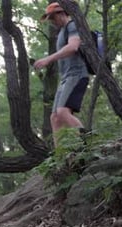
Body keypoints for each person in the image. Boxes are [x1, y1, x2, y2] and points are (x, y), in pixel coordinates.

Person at [33, 2, 89, 148]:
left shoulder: (72, 25)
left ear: (60, 13)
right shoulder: (62, 31)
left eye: (52, 18)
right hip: (65, 78)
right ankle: (60, 156)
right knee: (55, 117)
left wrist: (48, 59)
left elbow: (73, 46)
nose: (52, 22)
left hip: (77, 74)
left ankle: (89, 142)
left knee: (63, 112)